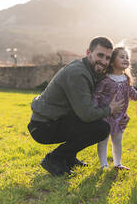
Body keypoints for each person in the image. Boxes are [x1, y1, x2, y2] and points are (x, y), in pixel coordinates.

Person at [27, 37, 125, 176]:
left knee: (96, 123)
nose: (104, 61)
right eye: (100, 55)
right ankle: (55, 158)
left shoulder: (89, 70)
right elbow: (87, 114)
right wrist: (110, 109)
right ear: (88, 52)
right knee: (101, 128)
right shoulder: (78, 73)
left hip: (54, 120)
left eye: (108, 58)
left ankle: (68, 157)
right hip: (43, 126)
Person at [93, 47, 137, 170]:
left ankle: (117, 163)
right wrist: (95, 109)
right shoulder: (106, 79)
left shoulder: (125, 79)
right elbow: (97, 94)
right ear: (112, 62)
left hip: (119, 116)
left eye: (127, 57)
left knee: (118, 140)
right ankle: (104, 164)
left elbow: (131, 91)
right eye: (122, 57)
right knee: (103, 140)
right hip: (105, 115)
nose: (126, 59)